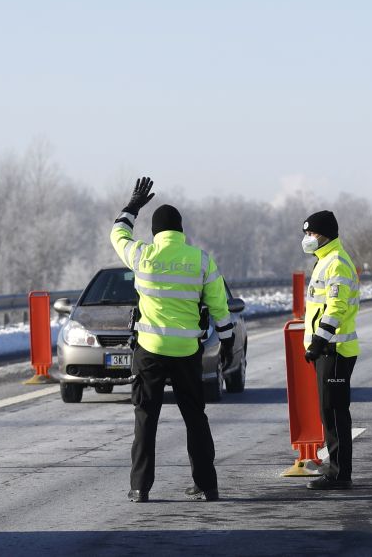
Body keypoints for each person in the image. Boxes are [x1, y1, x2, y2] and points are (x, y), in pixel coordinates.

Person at [110, 177, 234, 503]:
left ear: (155, 232)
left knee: (145, 418)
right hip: (186, 352)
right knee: (195, 417)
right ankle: (207, 485)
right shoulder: (201, 260)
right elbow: (220, 306)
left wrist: (132, 207)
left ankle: (140, 488)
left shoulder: (142, 255)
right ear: (180, 231)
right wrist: (228, 340)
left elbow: (117, 234)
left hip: (150, 350)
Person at [301, 210, 361, 490]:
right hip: (329, 349)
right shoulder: (324, 261)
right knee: (329, 412)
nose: (308, 239)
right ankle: (337, 469)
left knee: (335, 412)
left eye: (311, 234)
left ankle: (340, 474)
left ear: (325, 234)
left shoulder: (336, 263)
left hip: (334, 350)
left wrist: (319, 341)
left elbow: (336, 308)